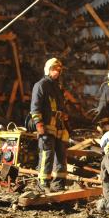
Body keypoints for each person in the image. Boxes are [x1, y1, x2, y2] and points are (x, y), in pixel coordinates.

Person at [30, 57, 69, 192]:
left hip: (58, 128)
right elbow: (35, 107)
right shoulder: (41, 85)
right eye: (54, 70)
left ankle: (59, 184)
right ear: (48, 70)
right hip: (46, 128)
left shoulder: (57, 87)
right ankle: (43, 184)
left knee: (61, 156)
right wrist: (38, 124)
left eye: (58, 70)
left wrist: (63, 114)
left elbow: (60, 106)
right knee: (47, 155)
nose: (56, 72)